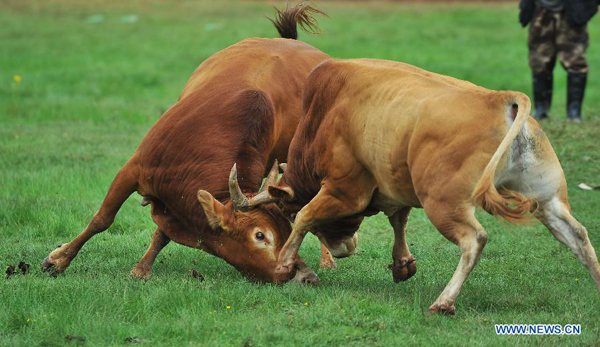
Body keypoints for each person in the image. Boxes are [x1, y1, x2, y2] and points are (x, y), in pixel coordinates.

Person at [519, 0, 598, 122]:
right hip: (540, 10)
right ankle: (541, 110)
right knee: (539, 61)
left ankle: (574, 113)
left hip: (573, 10)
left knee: (576, 62)